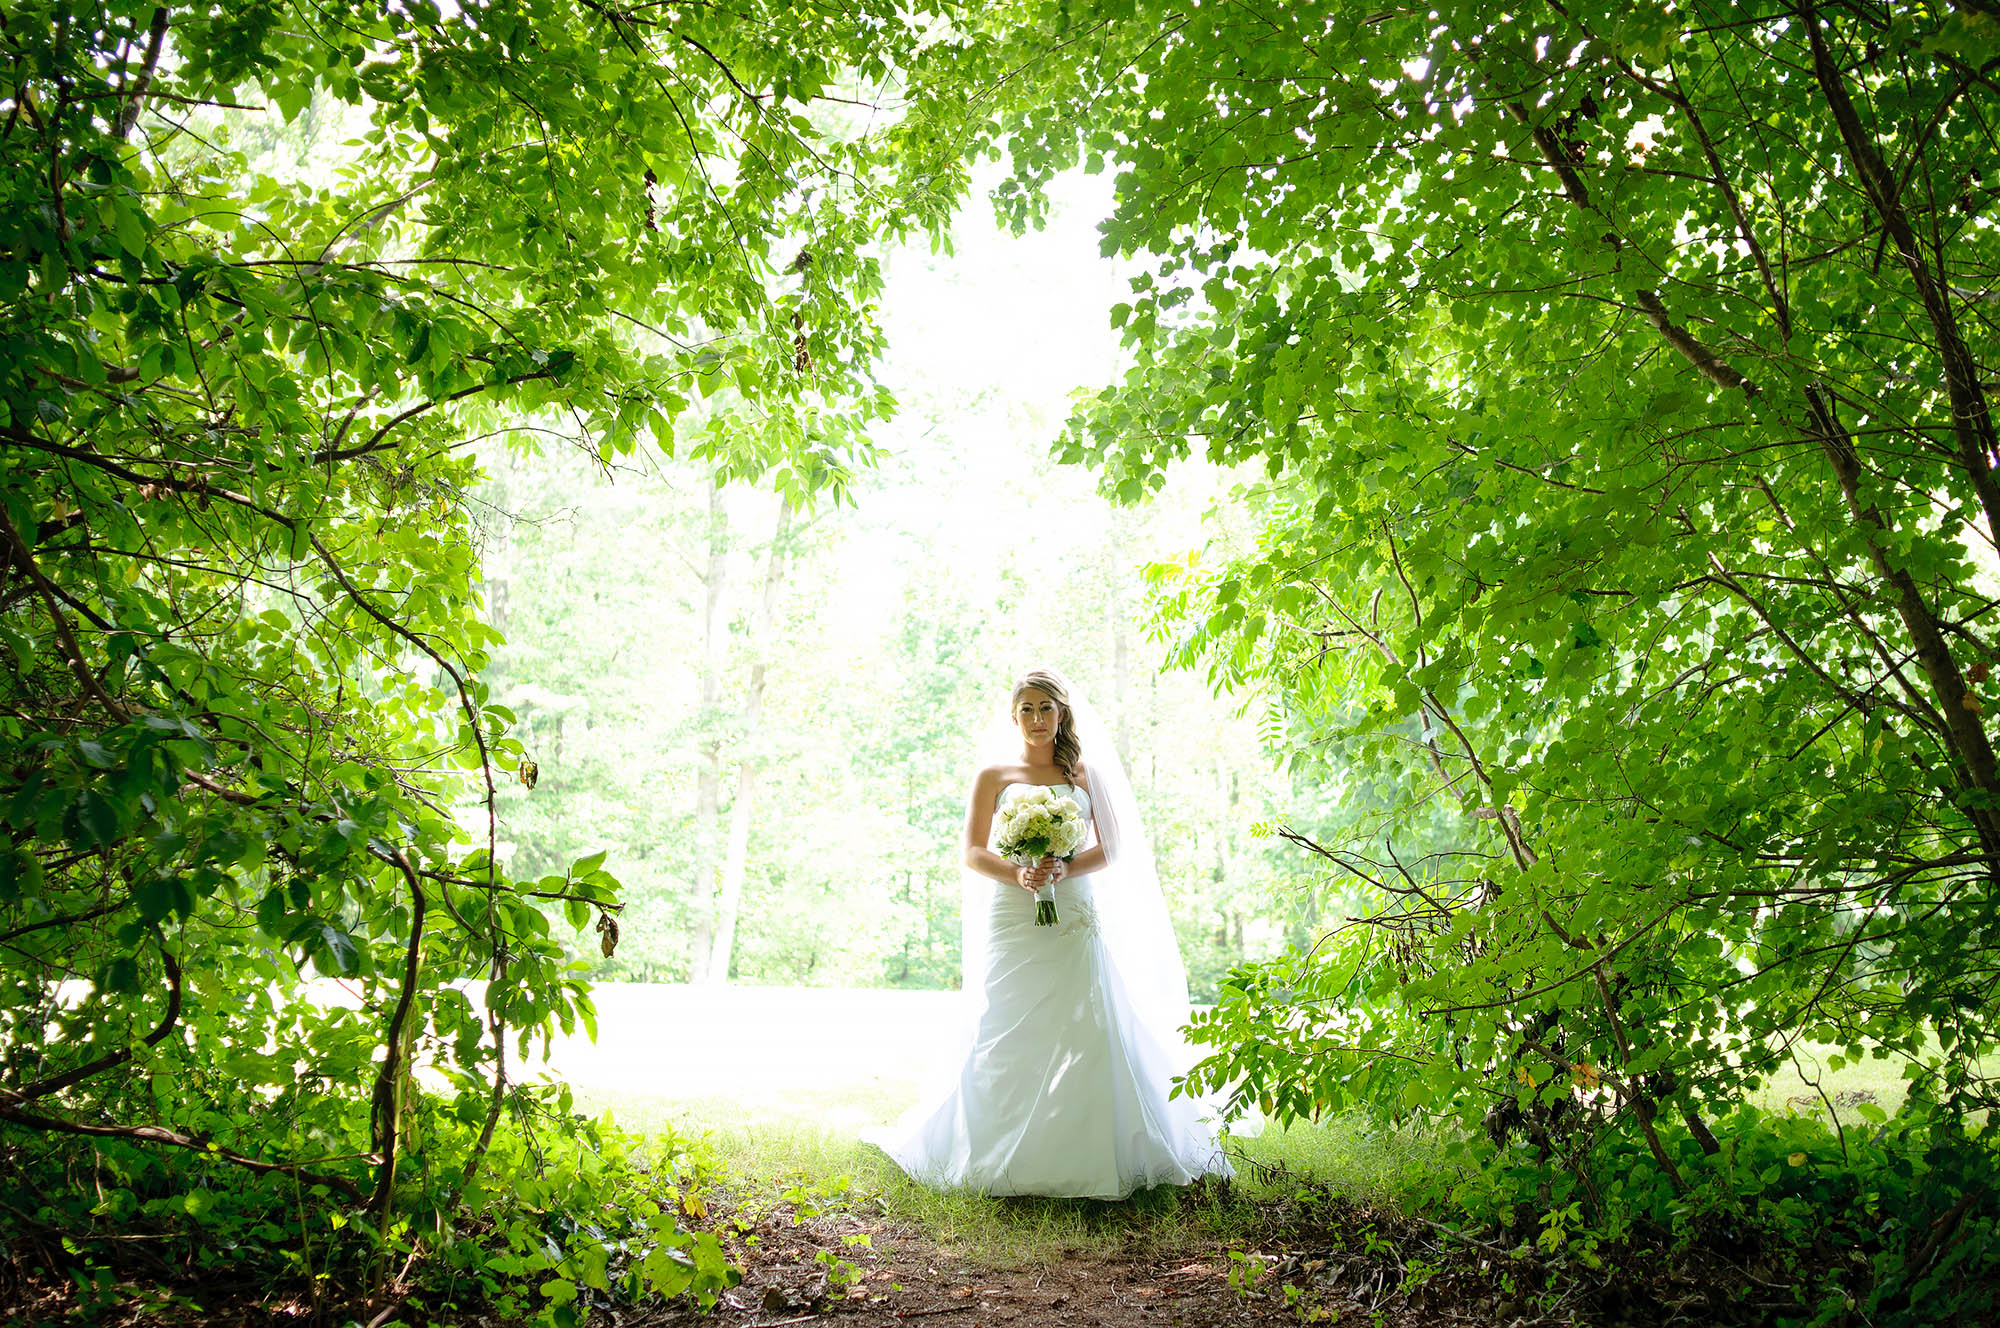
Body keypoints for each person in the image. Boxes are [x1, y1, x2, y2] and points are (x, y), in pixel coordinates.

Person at [863, 668, 1235, 1198]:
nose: (1037, 719)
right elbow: (971, 851)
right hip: (1011, 912)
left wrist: (1063, 869)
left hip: (1072, 909)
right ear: (1014, 717)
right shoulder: (994, 774)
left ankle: (1088, 1147)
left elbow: (1112, 849)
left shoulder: (1085, 776)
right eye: (1027, 709)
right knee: (1003, 1018)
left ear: (1062, 714)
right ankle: (995, 1148)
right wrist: (1018, 874)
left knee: (1088, 1020)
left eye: (1046, 708)